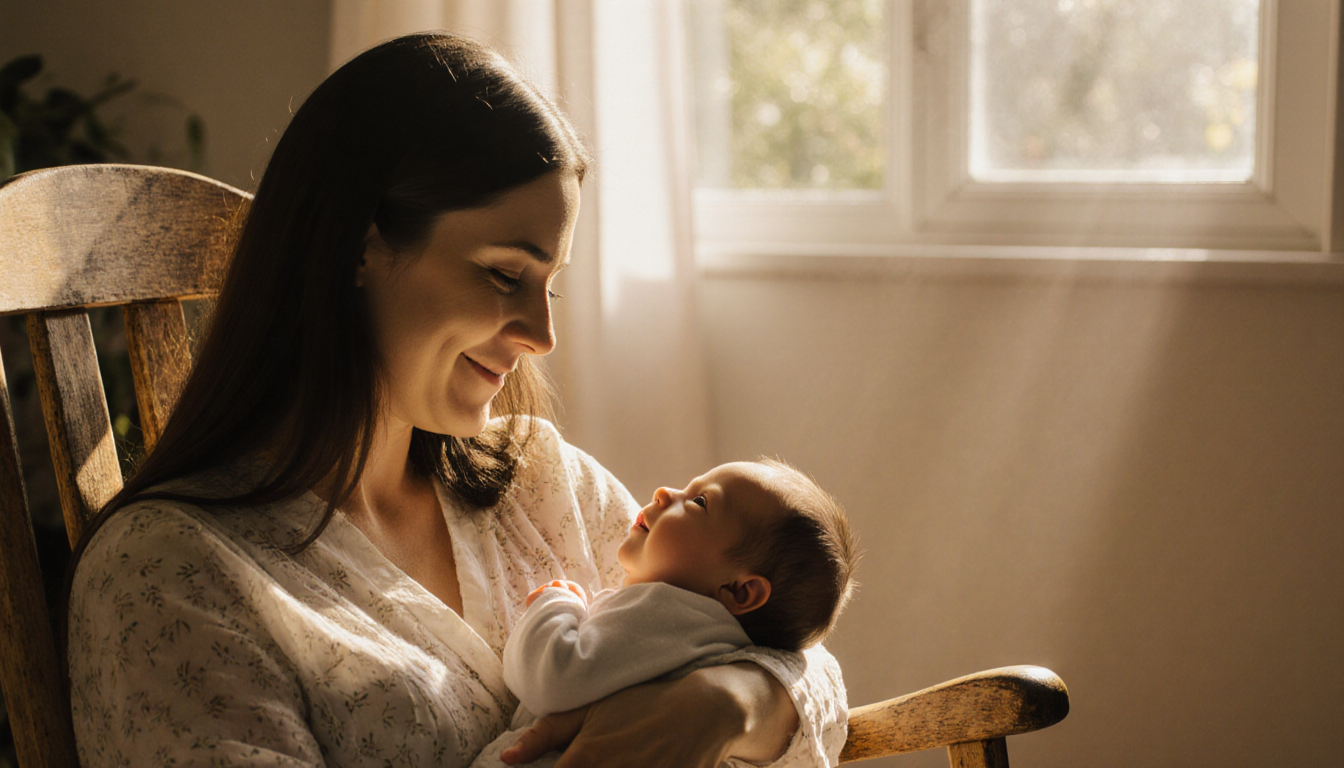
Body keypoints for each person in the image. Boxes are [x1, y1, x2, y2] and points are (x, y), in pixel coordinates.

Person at [64, 31, 848, 768]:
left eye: (551, 286)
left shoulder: (540, 481)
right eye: (506, 275)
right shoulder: (172, 575)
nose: (542, 334)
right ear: (360, 246)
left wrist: (727, 701)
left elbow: (799, 653)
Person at [470, 459, 860, 768]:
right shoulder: (717, 642)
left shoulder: (663, 611)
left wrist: (555, 603)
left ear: (740, 590)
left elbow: (552, 678)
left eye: (699, 502)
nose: (663, 492)